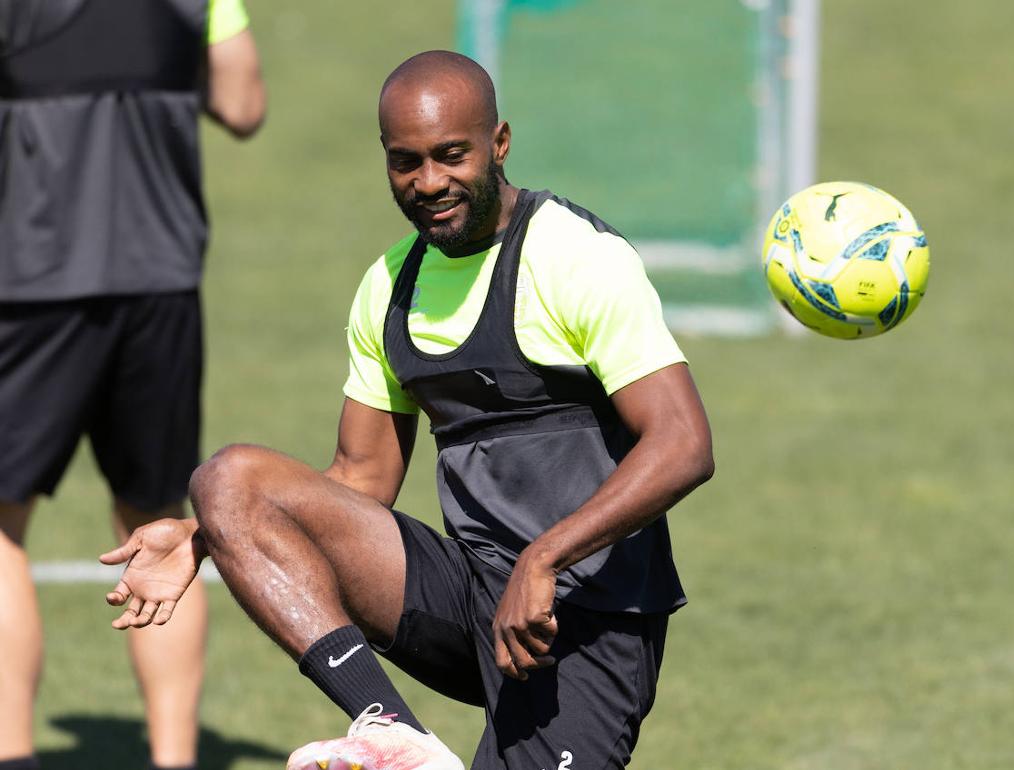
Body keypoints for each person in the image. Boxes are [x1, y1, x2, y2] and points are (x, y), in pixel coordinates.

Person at [101, 49, 713, 770]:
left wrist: (545, 557)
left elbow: (682, 444)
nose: (429, 183)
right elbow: (359, 483)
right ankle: (388, 725)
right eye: (406, 162)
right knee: (228, 479)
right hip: (473, 595)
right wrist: (211, 535)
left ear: (500, 143)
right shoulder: (391, 284)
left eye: (451, 156)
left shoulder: (575, 258)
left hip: (588, 614)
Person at [0, 2, 265, 769]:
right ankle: (174, 759)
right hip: (161, 284)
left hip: (28, 281)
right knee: (158, 522)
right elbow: (244, 104)